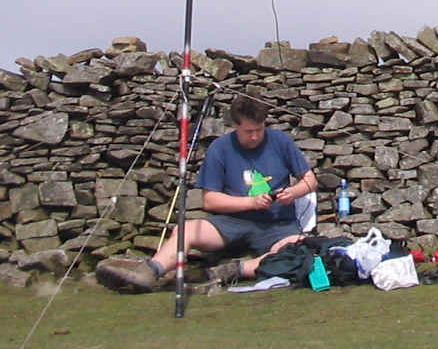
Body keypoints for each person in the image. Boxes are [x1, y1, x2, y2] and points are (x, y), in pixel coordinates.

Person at [96, 90, 318, 292]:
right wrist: (250, 203)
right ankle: (150, 271)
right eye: (248, 131)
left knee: (298, 250)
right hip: (232, 223)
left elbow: (310, 181)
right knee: (187, 230)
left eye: (259, 130)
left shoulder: (280, 141)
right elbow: (210, 201)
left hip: (278, 225)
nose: (254, 136)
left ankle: (235, 270)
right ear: (235, 126)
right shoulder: (220, 148)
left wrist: (294, 192)